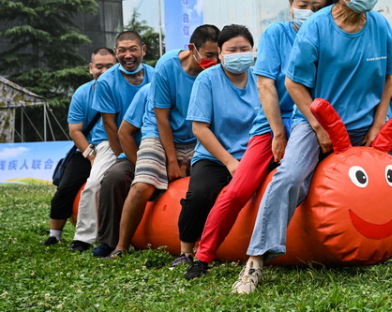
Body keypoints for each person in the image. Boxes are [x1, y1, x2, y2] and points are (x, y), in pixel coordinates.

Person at [234, 0, 392, 295]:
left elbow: (387, 79)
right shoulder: (317, 27)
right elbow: (292, 84)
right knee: (289, 178)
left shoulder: (380, 26)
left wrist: (379, 125)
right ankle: (255, 262)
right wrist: (317, 128)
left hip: (366, 125)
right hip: (317, 123)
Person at [185, 0, 327, 280]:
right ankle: (204, 255)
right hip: (273, 123)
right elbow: (266, 85)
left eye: (317, 6)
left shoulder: (328, 36)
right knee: (238, 190)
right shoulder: (277, 33)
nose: (310, 11)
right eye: (303, 5)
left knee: (302, 182)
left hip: (313, 122)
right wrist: (277, 132)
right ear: (291, 6)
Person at [104, 25, 220, 260]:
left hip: (197, 136)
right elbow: (161, 116)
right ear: (192, 49)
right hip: (159, 134)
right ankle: (121, 246)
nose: (214, 60)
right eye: (209, 55)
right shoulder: (167, 65)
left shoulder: (216, 72)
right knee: (143, 185)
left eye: (218, 55)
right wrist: (171, 161)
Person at [172, 24, 260, 267]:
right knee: (199, 194)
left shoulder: (261, 79)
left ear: (253, 51)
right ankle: (186, 250)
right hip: (215, 158)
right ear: (220, 53)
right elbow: (199, 129)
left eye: (244, 48)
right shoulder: (207, 79)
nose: (239, 54)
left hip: (255, 155)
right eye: (232, 50)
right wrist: (230, 162)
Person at [68, 31, 155, 252]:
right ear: (116, 52)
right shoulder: (106, 81)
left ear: (143, 50)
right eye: (122, 50)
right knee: (98, 182)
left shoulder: (156, 76)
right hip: (112, 141)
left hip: (149, 140)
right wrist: (122, 157)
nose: (128, 55)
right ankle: (88, 237)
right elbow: (110, 124)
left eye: (133, 49)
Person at [44, 48, 116, 246]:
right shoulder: (82, 93)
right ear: (90, 68)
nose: (103, 71)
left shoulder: (124, 89)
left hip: (116, 148)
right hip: (87, 149)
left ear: (117, 67)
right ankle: (55, 234)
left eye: (109, 66)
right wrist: (91, 157)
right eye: (99, 67)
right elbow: (75, 130)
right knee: (66, 187)